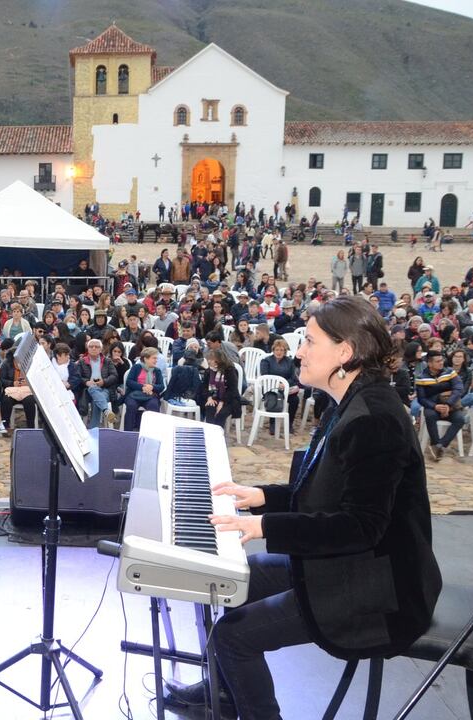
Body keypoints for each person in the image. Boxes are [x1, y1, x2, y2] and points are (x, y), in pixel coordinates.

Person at [166, 295, 441, 718]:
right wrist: (262, 496)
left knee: (232, 636)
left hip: (379, 591)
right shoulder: (351, 401)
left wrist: (263, 526)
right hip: (351, 566)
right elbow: (325, 491)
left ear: (345, 352)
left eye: (310, 342)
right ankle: (225, 692)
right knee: (235, 579)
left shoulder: (375, 419)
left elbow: (360, 527)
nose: (299, 352)